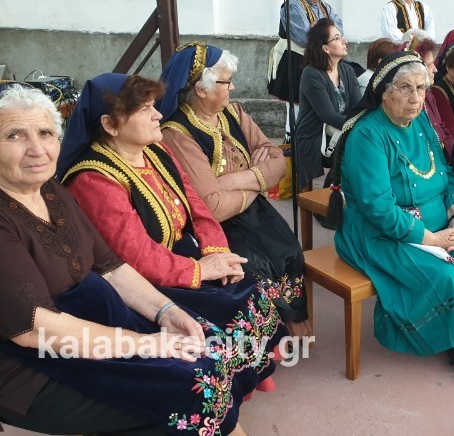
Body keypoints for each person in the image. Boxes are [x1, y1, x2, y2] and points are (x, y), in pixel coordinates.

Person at [0, 84, 257, 436]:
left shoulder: (51, 190)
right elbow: (33, 329)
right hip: (33, 364)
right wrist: (149, 344)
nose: (36, 149)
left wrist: (167, 313)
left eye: (45, 133)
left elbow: (111, 267)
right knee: (193, 390)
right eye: (14, 135)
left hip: (98, 325)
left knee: (208, 350)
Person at [60, 73, 289, 372]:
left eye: (154, 105)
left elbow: (196, 206)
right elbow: (136, 255)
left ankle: (254, 371)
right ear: (110, 124)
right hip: (142, 282)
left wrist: (216, 251)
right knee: (222, 319)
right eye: (145, 109)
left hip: (181, 255)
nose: (158, 114)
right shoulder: (94, 179)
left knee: (250, 285)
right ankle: (236, 379)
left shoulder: (156, 151)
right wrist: (200, 270)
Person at [326, 52, 454, 386]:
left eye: (421, 88)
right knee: (446, 274)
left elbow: (446, 173)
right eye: (405, 88)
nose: (416, 97)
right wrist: (432, 239)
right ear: (384, 93)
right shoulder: (368, 135)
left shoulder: (420, 121)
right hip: (380, 232)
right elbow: (378, 209)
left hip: (437, 220)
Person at [158, 43, 309, 334]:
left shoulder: (234, 113)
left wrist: (234, 181)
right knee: (255, 271)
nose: (233, 87)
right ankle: (271, 340)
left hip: (254, 213)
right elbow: (212, 206)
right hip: (217, 227)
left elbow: (278, 162)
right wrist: (258, 180)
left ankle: (292, 330)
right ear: (201, 89)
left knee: (290, 252)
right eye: (227, 82)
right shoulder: (177, 133)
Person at [294, 18, 362, 189]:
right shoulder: (311, 74)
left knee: (362, 146)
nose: (344, 41)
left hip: (340, 131)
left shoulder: (347, 70)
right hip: (314, 136)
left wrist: (362, 123)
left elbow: (357, 107)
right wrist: (358, 126)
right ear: (325, 48)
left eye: (341, 36)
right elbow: (328, 116)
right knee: (355, 148)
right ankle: (330, 194)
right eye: (337, 38)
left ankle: (336, 192)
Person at [267, 0, 343, 138]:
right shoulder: (293, 6)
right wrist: (326, 31)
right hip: (296, 60)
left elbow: (339, 31)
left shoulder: (325, 7)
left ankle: (314, 140)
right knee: (297, 106)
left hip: (317, 60)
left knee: (317, 104)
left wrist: (318, 28)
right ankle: (294, 141)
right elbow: (305, 37)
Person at [398, 33, 454, 159]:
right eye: (430, 65)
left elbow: (441, 127)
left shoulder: (429, 95)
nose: (435, 69)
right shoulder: (408, 104)